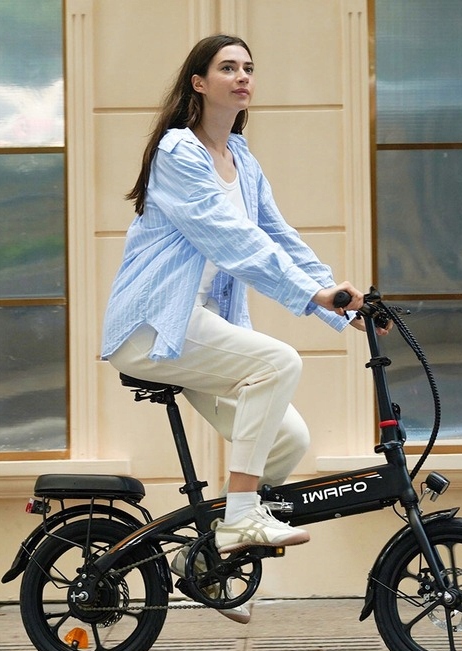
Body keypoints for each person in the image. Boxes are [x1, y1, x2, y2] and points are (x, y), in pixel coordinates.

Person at [101, 35, 383, 620]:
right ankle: (240, 519)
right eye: (227, 67)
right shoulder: (179, 153)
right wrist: (310, 295)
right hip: (155, 325)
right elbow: (231, 239)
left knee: (289, 439)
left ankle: (204, 560)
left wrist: (338, 302)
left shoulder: (242, 159)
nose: (242, 76)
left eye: (248, 67)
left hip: (197, 327)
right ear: (199, 82)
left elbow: (278, 236)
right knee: (278, 362)